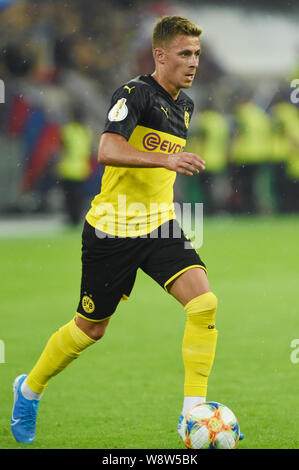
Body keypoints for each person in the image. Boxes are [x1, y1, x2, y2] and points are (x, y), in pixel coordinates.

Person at [11, 15, 243, 445]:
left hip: (159, 227)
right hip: (110, 231)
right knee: (89, 329)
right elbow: (107, 148)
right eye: (184, 54)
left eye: (197, 54)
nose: (193, 62)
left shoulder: (185, 106)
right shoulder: (133, 94)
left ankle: (192, 414)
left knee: (204, 304)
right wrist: (167, 160)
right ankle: (29, 389)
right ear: (160, 55)